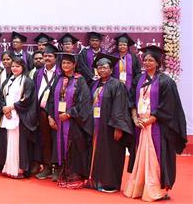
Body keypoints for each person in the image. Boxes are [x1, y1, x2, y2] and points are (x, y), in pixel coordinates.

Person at [124, 46, 187, 201]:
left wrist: (151, 119)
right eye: (145, 59)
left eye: (150, 60)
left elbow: (168, 105)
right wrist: (134, 117)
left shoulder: (166, 81)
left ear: (158, 62)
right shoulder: (139, 78)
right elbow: (131, 98)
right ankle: (139, 187)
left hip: (157, 127)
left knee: (156, 158)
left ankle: (156, 190)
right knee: (141, 157)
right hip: (140, 125)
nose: (146, 62)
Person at [87, 53, 133, 193]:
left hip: (109, 126)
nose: (101, 70)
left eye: (105, 67)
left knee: (109, 154)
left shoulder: (117, 85)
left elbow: (120, 107)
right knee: (95, 152)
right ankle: (94, 180)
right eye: (99, 67)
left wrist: (118, 127)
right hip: (95, 125)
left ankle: (110, 183)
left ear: (111, 70)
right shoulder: (94, 83)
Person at [46, 52, 92, 188]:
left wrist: (70, 113)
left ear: (74, 65)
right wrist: (50, 116)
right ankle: (64, 175)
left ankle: (75, 177)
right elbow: (50, 100)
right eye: (63, 63)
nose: (65, 65)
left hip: (73, 122)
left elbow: (85, 102)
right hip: (59, 121)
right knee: (61, 147)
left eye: (68, 63)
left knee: (73, 147)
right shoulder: (58, 79)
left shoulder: (80, 80)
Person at [0, 57, 38, 179]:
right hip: (8, 115)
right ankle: (9, 168)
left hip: (20, 116)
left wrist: (11, 107)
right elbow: (2, 96)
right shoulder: (9, 80)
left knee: (19, 143)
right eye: (13, 66)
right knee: (9, 142)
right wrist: (5, 108)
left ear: (23, 67)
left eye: (17, 66)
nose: (14, 68)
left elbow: (26, 99)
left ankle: (19, 169)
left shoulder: (27, 81)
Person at [33, 44, 60, 179]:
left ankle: (57, 168)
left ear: (55, 58)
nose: (47, 58)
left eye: (50, 56)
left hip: (55, 112)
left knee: (56, 140)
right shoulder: (38, 73)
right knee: (44, 140)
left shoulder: (60, 73)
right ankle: (47, 166)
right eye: (45, 56)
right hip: (41, 111)